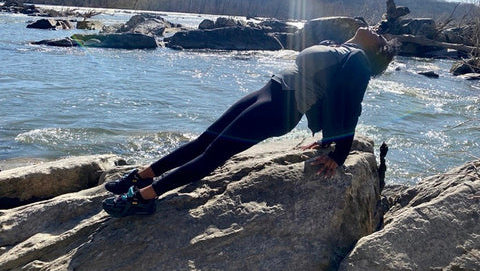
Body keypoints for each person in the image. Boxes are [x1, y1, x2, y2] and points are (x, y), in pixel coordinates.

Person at [102, 27, 395, 217]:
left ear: (376, 51)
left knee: (213, 155)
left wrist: (340, 152)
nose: (377, 31)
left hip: (282, 108)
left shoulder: (358, 61)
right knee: (206, 139)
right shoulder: (339, 46)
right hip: (271, 90)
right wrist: (327, 138)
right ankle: (144, 174)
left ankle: (145, 198)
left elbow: (350, 104)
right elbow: (327, 95)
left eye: (381, 38)